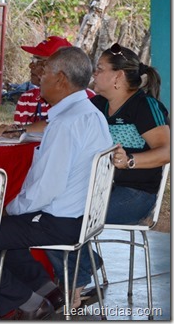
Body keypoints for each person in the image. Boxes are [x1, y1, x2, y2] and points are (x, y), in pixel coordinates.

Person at [0, 47, 112, 319]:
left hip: (59, 221)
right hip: (81, 218)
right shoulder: (91, 113)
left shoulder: (67, 122)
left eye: (46, 71)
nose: (39, 77)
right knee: (0, 231)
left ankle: (24, 304)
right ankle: (48, 290)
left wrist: (8, 209)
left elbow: (46, 189)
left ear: (62, 79)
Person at [46, 43, 171, 307]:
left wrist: (131, 161)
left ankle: (77, 280)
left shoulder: (144, 106)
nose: (94, 74)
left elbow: (167, 150)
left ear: (118, 76)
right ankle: (86, 267)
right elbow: (66, 120)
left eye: (100, 69)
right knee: (51, 213)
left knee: (69, 220)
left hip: (136, 194)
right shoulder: (98, 103)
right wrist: (16, 129)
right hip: (97, 188)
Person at [14, 36, 72, 125]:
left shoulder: (86, 100)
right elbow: (19, 137)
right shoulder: (27, 99)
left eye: (38, 61)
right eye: (33, 59)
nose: (31, 66)